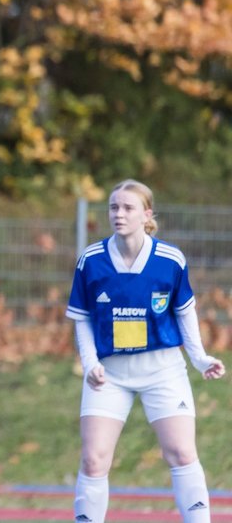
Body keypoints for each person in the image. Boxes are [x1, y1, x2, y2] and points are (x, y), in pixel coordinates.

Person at [66, 179, 225, 523]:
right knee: (94, 459)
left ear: (146, 214)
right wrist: (91, 363)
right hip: (109, 375)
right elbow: (82, 320)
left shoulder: (170, 259)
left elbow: (185, 313)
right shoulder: (91, 261)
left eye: (127, 208)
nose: (118, 214)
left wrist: (199, 359)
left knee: (182, 453)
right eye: (113, 207)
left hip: (162, 371)